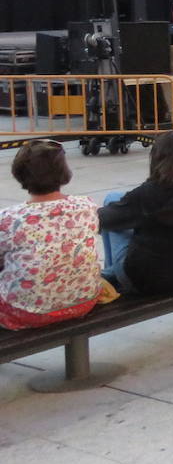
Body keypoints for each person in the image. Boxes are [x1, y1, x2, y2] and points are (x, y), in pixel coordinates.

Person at [99, 131, 173, 295]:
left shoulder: (148, 193)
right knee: (124, 213)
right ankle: (110, 273)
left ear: (156, 158)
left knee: (111, 203)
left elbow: (101, 220)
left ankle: (108, 276)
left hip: (147, 281)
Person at [0, 140, 102, 329]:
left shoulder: (9, 218)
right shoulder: (86, 206)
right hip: (83, 301)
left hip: (27, 312)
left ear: (20, 173)